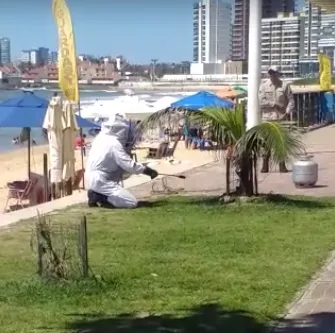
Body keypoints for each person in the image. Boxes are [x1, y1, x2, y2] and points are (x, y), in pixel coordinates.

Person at [85, 117, 158, 208]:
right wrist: (146, 170)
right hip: (100, 179)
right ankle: (99, 196)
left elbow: (122, 168)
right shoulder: (114, 143)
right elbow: (127, 164)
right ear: (120, 129)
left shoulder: (99, 138)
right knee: (131, 202)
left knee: (120, 174)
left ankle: (98, 194)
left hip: (92, 177)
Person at [259, 66, 295, 173]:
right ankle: (265, 165)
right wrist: (273, 104)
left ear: (278, 74)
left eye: (274, 73)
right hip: (268, 119)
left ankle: (282, 165)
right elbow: (261, 102)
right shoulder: (263, 86)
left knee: (281, 141)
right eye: (270, 73)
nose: (272, 75)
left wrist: (287, 112)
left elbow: (291, 101)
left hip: (281, 118)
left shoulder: (285, 86)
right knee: (266, 143)